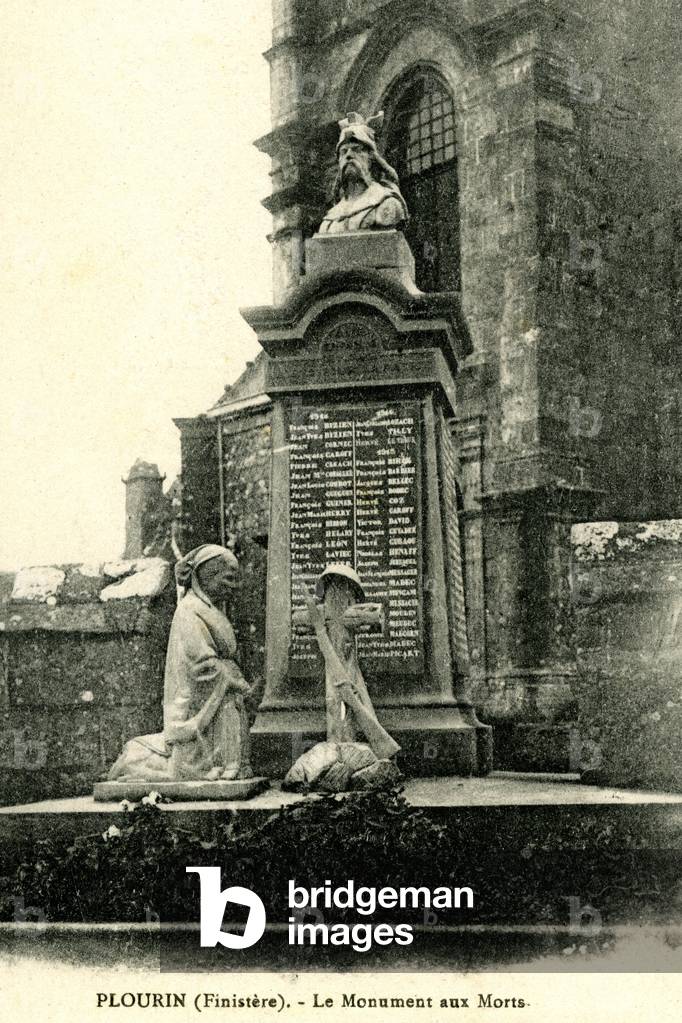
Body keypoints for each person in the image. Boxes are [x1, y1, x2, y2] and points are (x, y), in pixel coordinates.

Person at [106, 544, 253, 783]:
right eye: (227, 579)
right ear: (207, 576)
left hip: (221, 693)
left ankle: (230, 764)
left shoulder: (208, 609)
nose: (232, 586)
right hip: (200, 701)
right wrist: (232, 678)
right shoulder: (188, 610)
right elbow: (201, 665)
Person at [317, 111, 409, 234]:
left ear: (371, 158)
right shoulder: (329, 221)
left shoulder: (386, 203)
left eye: (357, 149)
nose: (349, 155)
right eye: (344, 151)